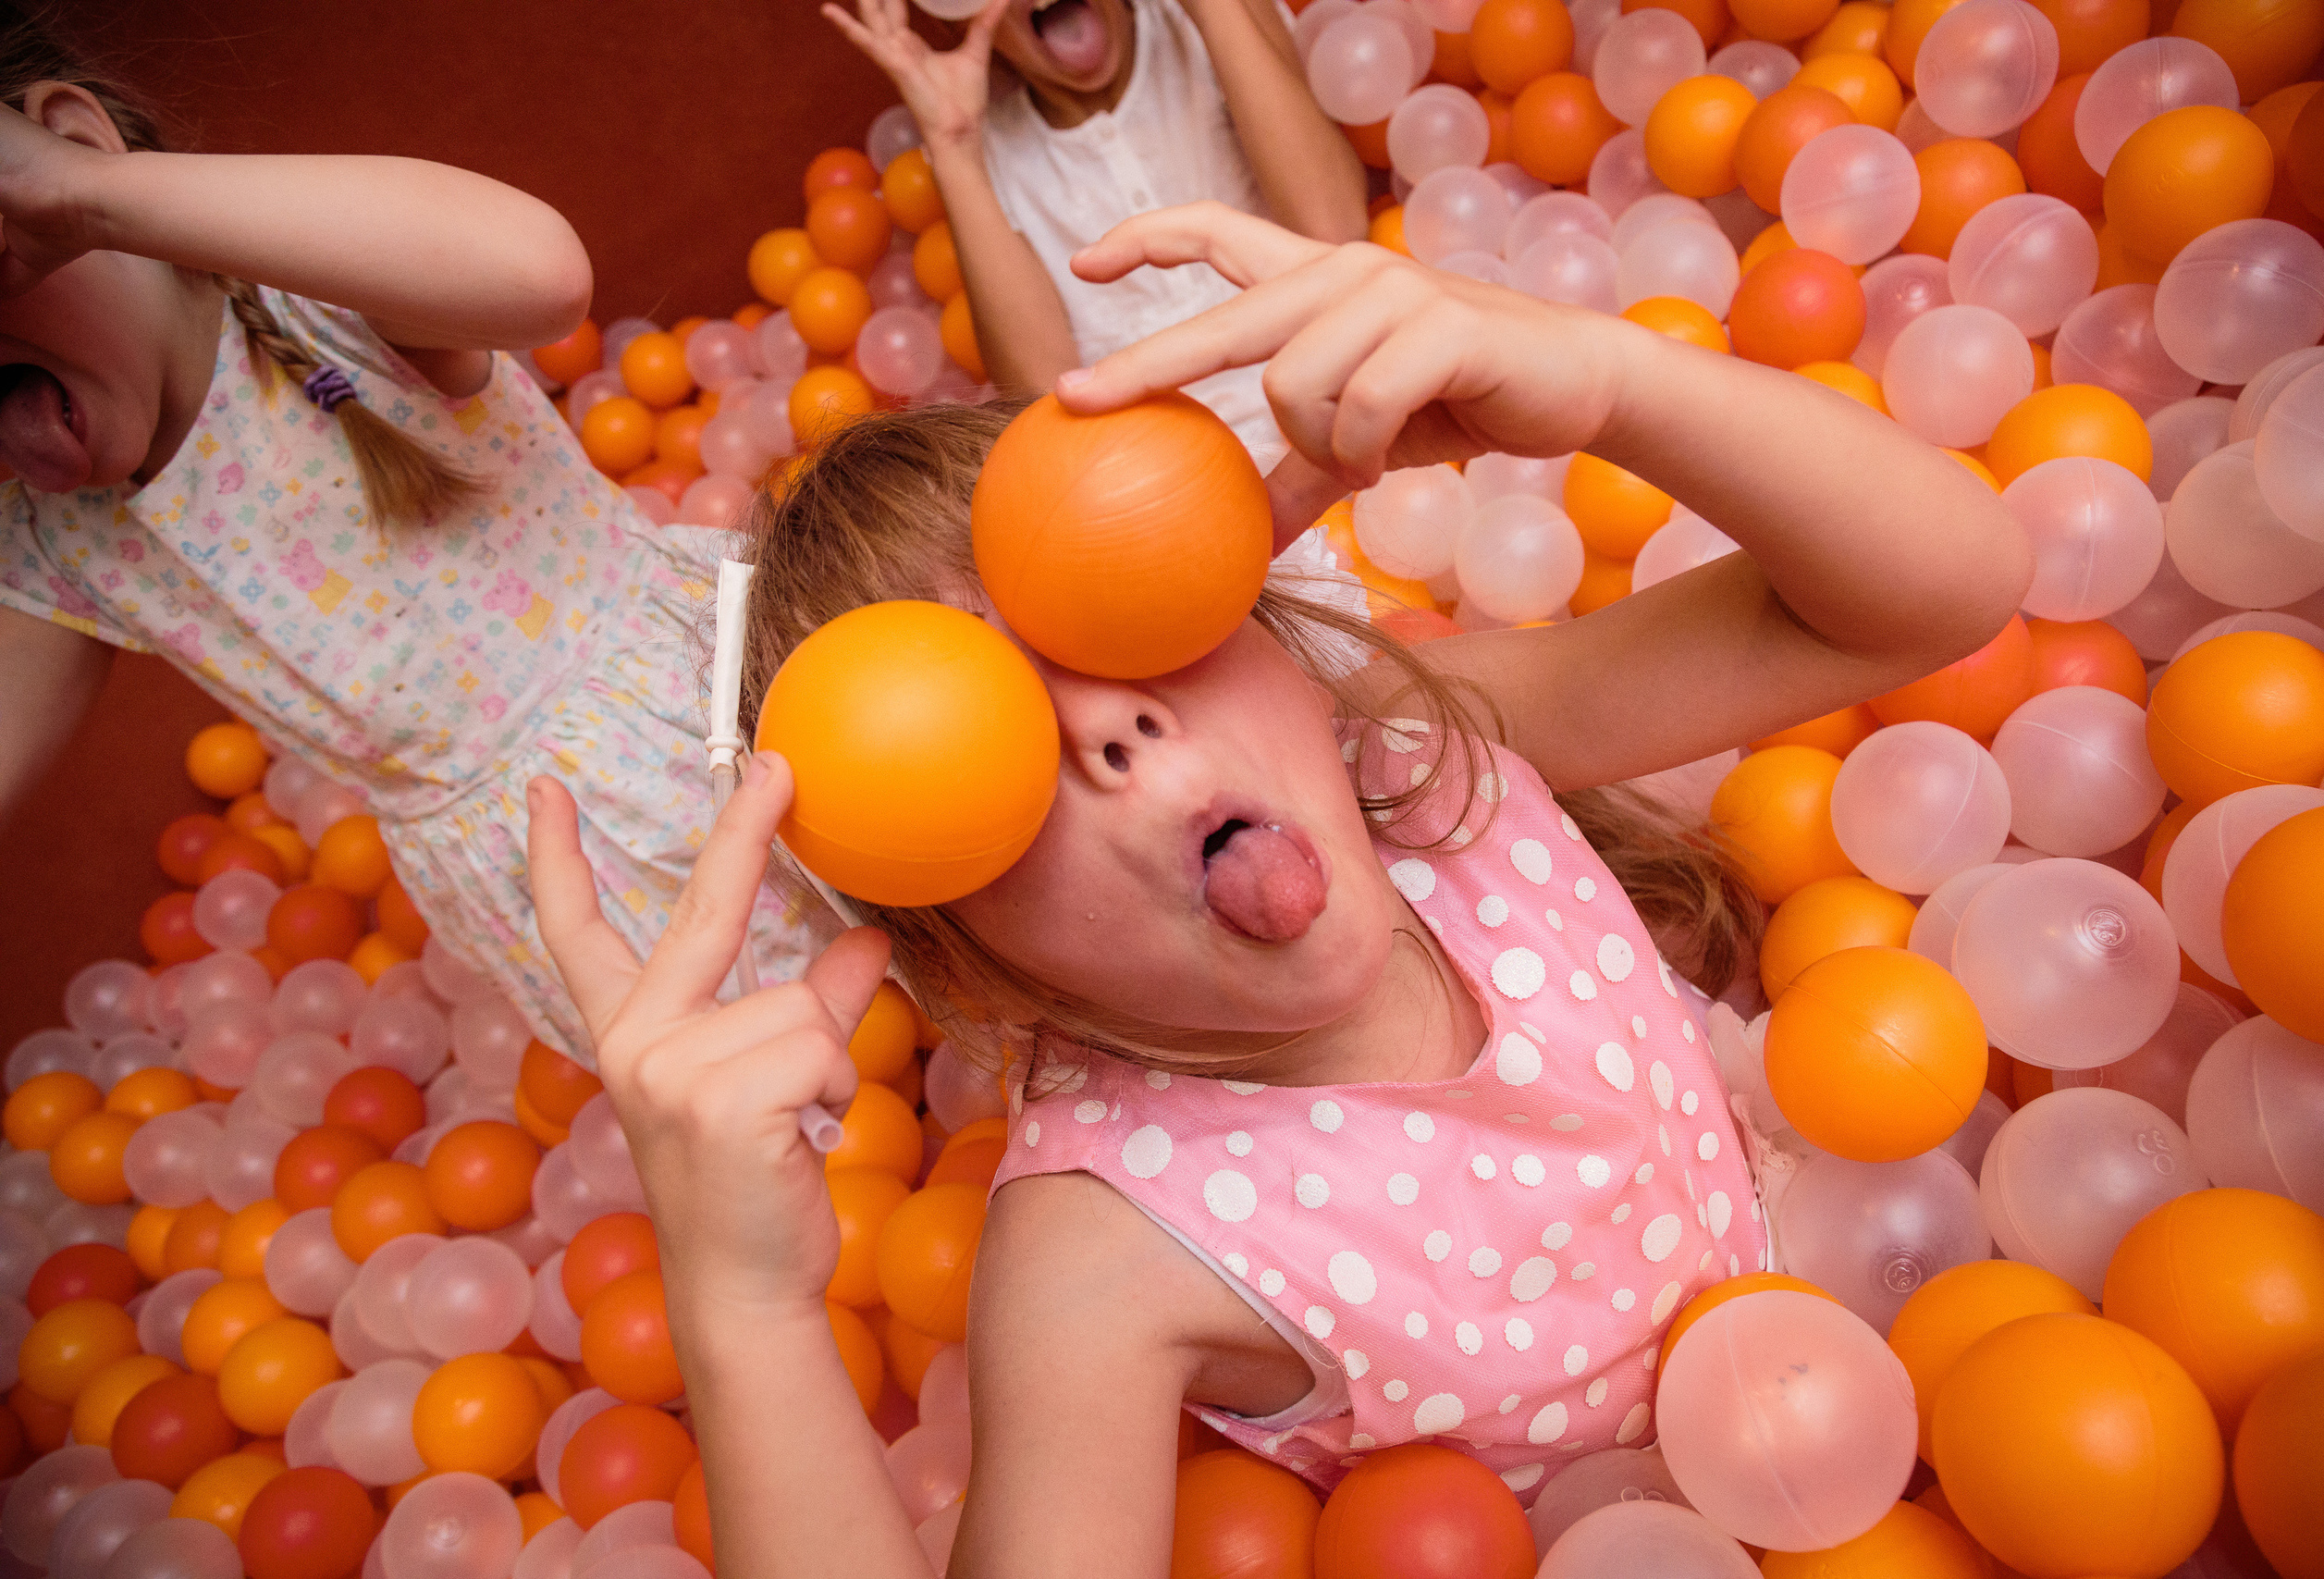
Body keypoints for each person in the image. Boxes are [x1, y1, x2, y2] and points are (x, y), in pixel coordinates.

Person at [525, 204, 2033, 1577]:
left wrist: (1606, 377)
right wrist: (748, 1311)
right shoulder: (1099, 1256)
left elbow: (1942, 592)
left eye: (1125, 611)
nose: (1107, 726)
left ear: (1252, 607)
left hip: (1884, 1311)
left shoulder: (1409, 751)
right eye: (970, 757)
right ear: (963, 958)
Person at [0, 19, 810, 1050]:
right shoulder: (60, 543)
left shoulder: (317, 298)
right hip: (568, 890)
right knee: (778, 1081)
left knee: (932, 918)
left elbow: (539, 276)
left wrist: (78, 194)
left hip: (712, 706)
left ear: (68, 151)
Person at [823, 0, 1368, 467]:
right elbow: (1043, 402)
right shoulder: (984, 146)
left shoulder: (1211, 21)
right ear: (959, 18)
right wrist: (954, 146)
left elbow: (1335, 231)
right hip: (1168, 486)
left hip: (1343, 409)